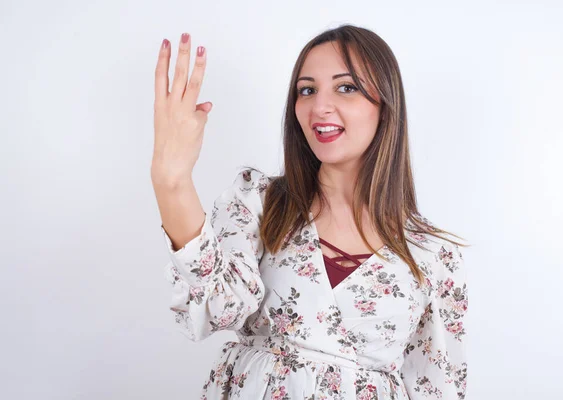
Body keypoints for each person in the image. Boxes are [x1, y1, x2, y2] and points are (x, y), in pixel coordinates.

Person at [151, 24, 469, 400]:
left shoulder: (432, 254)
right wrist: (172, 180)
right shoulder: (261, 202)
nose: (320, 107)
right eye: (307, 90)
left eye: (346, 87)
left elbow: (438, 386)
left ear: (385, 105)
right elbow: (219, 308)